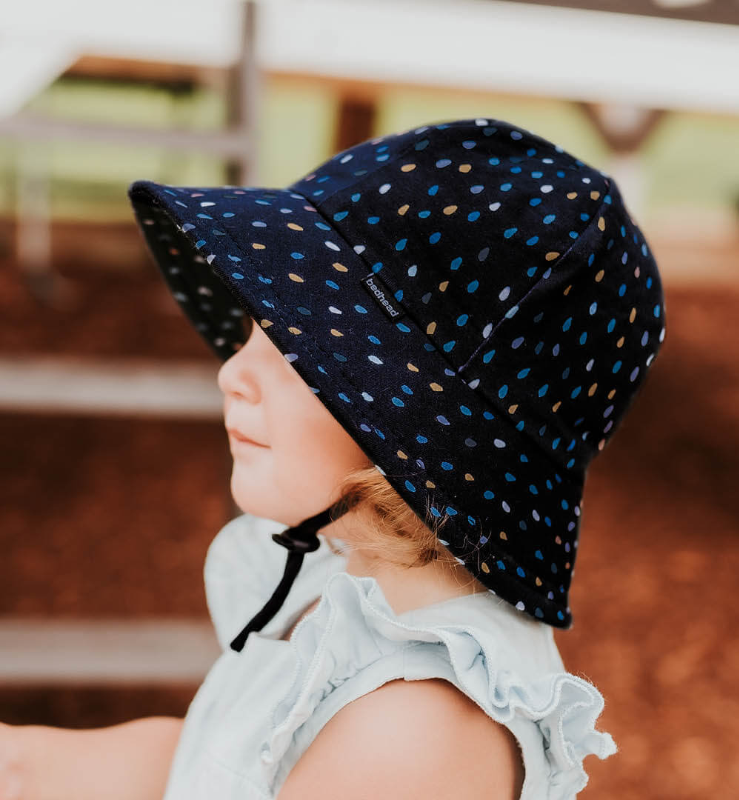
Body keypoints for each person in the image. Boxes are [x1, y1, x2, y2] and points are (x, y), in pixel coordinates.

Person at [1, 116, 666, 800]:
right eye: (253, 327)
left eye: (300, 347)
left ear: (416, 426)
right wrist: (21, 765)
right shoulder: (347, 583)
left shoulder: (414, 732)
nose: (233, 371)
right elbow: (217, 762)